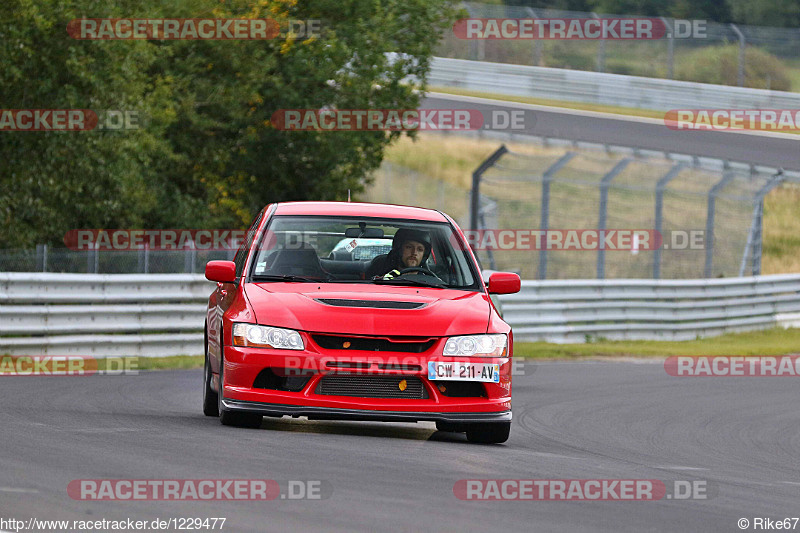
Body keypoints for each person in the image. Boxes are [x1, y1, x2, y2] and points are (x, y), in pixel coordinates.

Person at [365, 228, 432, 279]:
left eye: (420, 249)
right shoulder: (381, 275)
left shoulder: (430, 282)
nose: (414, 253)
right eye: (409, 247)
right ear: (399, 249)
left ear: (424, 255)